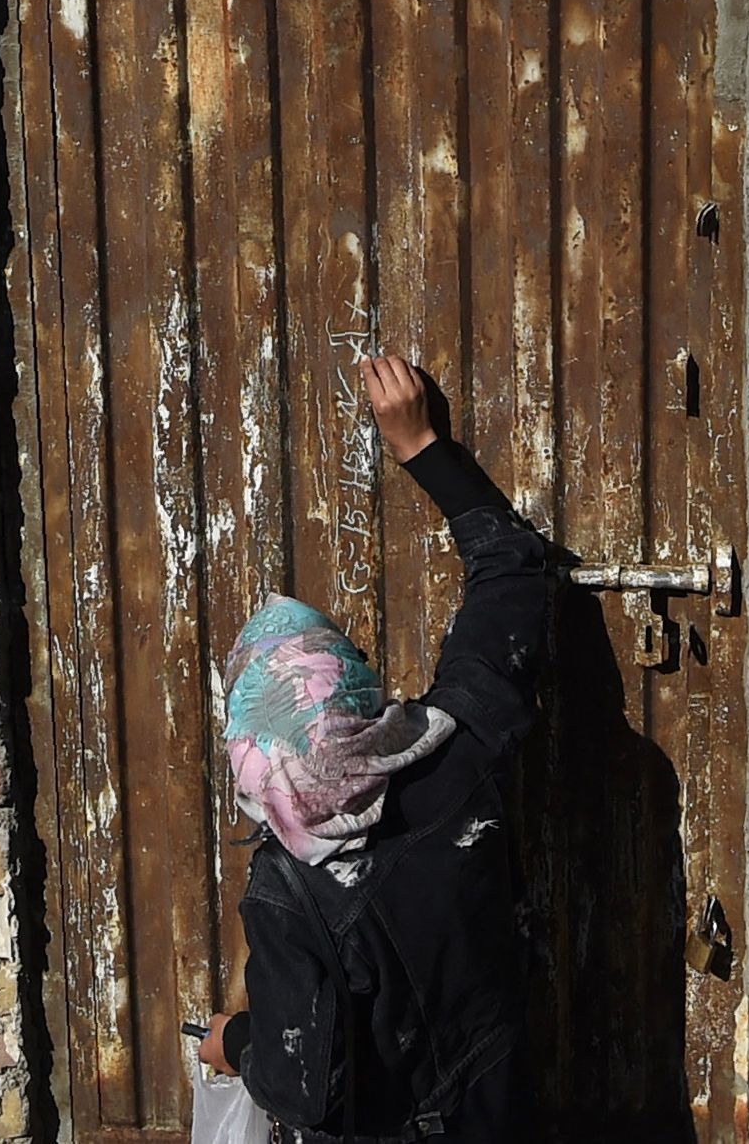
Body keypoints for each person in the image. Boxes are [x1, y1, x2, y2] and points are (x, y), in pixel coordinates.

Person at [198, 353, 562, 1144]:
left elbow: (304, 1089)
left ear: (250, 745)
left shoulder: (288, 886)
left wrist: (232, 1040)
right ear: (351, 686)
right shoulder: (452, 753)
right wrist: (421, 442)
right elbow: (513, 571)